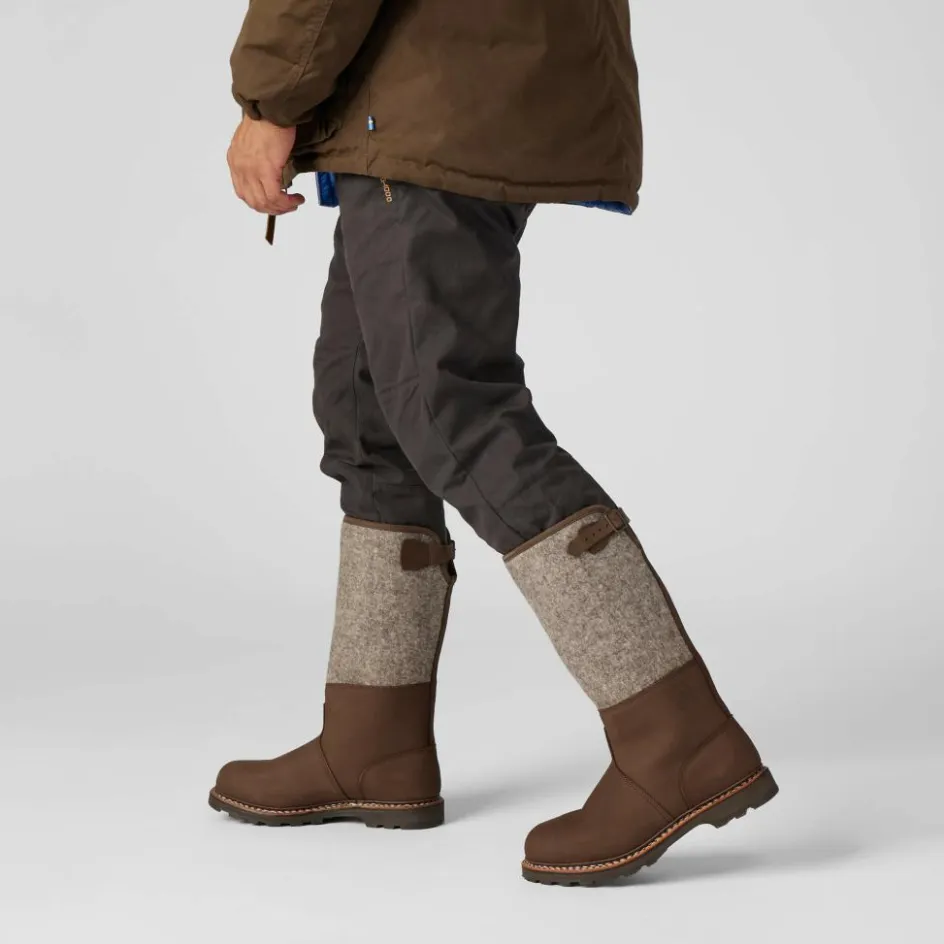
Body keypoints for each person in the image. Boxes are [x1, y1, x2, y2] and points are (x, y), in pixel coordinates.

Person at [209, 0, 777, 887]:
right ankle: (374, 740)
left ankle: (680, 738)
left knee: (448, 410)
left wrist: (271, 98)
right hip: (457, 85)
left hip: (431, 89)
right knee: (368, 407)